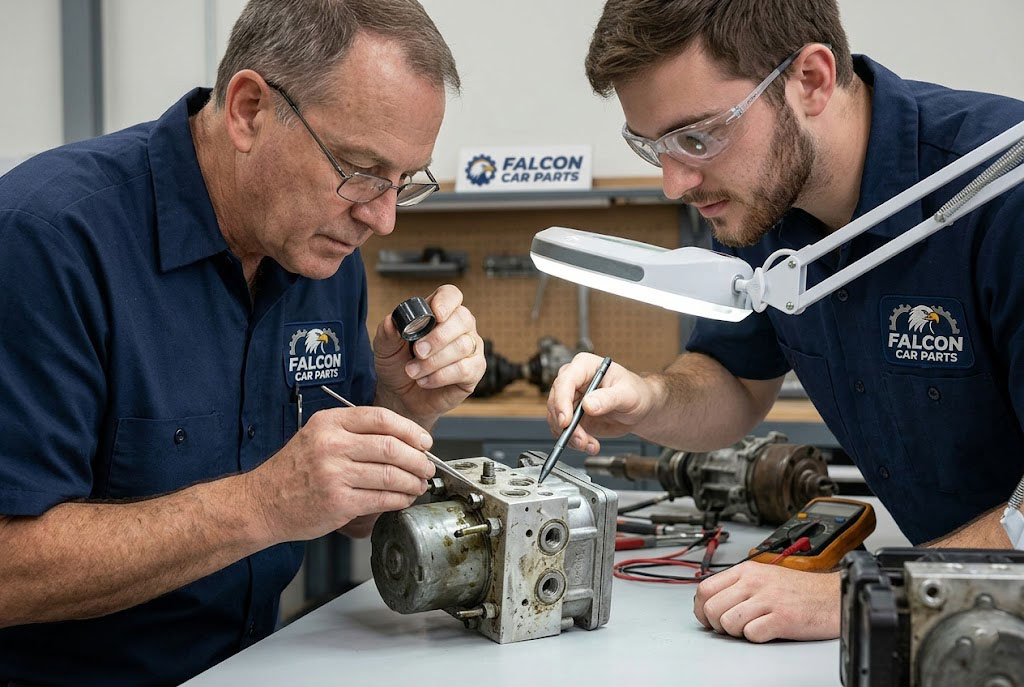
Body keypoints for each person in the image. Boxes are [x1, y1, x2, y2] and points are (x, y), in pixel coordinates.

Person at [0, 0, 484, 684]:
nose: (382, 219)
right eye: (360, 169)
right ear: (249, 110)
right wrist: (262, 504)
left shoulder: (321, 254)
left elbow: (347, 520)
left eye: (403, 183)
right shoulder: (47, 242)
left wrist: (405, 408)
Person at [548, 0, 1024, 644]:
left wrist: (863, 594)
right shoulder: (764, 200)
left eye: (696, 138)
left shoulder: (1000, 184)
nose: (674, 183)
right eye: (652, 146)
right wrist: (648, 399)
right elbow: (735, 381)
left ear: (811, 80)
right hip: (955, 616)